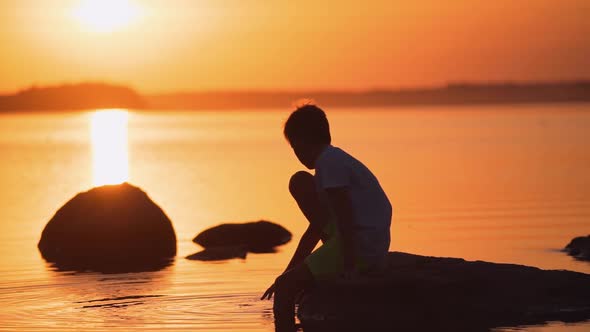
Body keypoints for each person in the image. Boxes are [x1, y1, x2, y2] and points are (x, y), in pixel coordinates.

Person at [260, 104, 393, 332]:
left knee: (284, 289)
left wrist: (349, 266)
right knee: (299, 180)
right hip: (363, 243)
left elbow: (344, 217)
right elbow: (317, 227)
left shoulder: (330, 164)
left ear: (301, 142)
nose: (296, 154)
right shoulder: (332, 160)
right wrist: (289, 272)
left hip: (360, 246)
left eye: (294, 147)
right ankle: (322, 264)